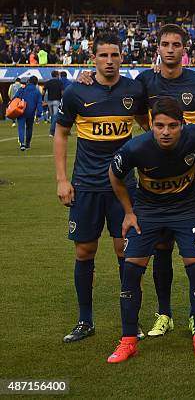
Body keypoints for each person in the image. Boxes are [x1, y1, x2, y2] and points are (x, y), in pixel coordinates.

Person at [77, 24, 195, 338]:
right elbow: (136, 110)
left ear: (184, 49)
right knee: (162, 247)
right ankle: (164, 313)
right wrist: (86, 77)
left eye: (176, 44)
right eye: (165, 44)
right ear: (158, 48)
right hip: (157, 173)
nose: (170, 49)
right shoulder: (144, 81)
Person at [106, 97, 195, 363]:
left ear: (182, 125)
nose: (165, 132)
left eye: (172, 126)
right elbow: (114, 174)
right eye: (159, 126)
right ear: (152, 125)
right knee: (131, 270)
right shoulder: (136, 148)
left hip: (188, 210)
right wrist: (129, 212)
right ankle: (128, 341)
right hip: (148, 212)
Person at [54, 32, 148, 343]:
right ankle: (85, 320)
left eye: (115, 55)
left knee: (125, 249)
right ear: (93, 58)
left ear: (123, 57)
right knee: (85, 250)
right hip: (87, 185)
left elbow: (148, 124)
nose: (109, 61)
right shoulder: (76, 92)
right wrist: (62, 180)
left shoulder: (134, 90)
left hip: (123, 187)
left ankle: (130, 321)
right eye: (103, 55)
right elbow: (62, 135)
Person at [15, 76, 43, 151]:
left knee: (21, 127)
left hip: (21, 111)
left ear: (28, 81)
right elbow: (39, 104)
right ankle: (27, 144)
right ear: (36, 83)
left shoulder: (22, 89)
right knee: (29, 128)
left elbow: (15, 98)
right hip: (31, 112)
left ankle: (22, 144)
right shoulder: (37, 92)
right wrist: (38, 115)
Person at [44, 70, 64, 137]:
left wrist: (42, 99)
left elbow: (43, 91)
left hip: (50, 101)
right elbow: (62, 92)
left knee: (53, 116)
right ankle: (52, 131)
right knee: (55, 116)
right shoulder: (60, 82)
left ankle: (54, 130)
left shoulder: (48, 82)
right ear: (57, 75)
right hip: (57, 100)